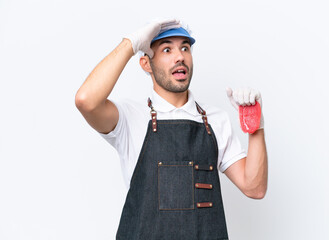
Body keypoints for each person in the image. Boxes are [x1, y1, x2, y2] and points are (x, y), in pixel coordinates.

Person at [75, 19, 268, 240]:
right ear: (146, 64)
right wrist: (132, 42)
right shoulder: (129, 118)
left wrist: (256, 128)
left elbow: (255, 188)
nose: (180, 56)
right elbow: (85, 100)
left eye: (185, 48)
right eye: (167, 49)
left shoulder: (216, 120)